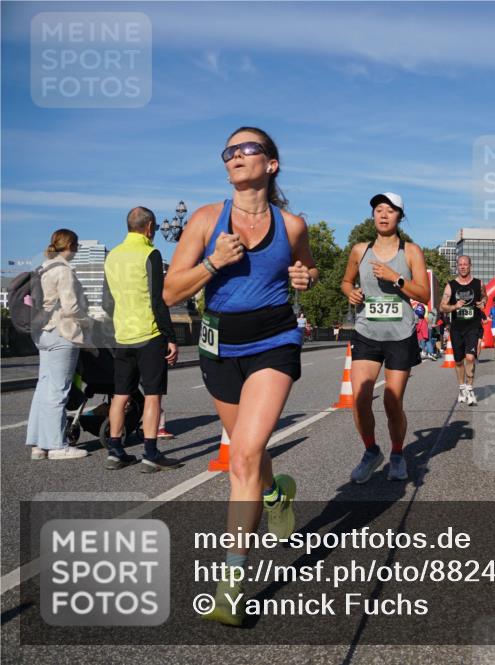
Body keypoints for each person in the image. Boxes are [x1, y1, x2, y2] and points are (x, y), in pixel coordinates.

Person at [164, 126, 318, 626]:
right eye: (229, 151)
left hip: (274, 340)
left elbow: (307, 268)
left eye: (247, 148)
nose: (235, 156)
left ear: (271, 164)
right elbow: (169, 293)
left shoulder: (292, 224)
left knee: (244, 455)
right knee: (250, 453)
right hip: (218, 347)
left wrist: (306, 277)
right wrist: (213, 262)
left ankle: (230, 585)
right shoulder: (208, 220)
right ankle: (276, 494)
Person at [342, 192, 429, 483]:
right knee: (360, 399)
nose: (383, 214)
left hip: (400, 333)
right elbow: (346, 281)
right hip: (367, 332)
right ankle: (370, 451)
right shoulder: (359, 250)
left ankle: (397, 454)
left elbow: (424, 294)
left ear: (399, 217)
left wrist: (397, 278)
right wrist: (350, 292)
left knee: (392, 402)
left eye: (390, 211)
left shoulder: (412, 251)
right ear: (372, 216)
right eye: (378, 210)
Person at [103, 207, 180, 472]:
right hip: (149, 334)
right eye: (156, 228)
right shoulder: (150, 253)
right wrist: (170, 336)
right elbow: (158, 299)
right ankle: (150, 453)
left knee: (120, 395)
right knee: (153, 395)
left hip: (122, 335)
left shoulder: (112, 256)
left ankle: (115, 450)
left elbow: (106, 301)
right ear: (148, 227)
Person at [25, 229, 91, 461]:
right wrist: (89, 320)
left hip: (41, 333)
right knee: (58, 390)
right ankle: (56, 445)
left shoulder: (44, 268)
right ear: (71, 245)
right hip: (61, 333)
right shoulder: (63, 271)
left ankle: (38, 444)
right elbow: (72, 308)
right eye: (77, 246)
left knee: (44, 387)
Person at [441, 255, 486, 405]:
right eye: (460, 264)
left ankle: (470, 389)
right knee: (459, 361)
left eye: (465, 264)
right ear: (457, 266)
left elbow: (485, 297)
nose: (462, 266)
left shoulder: (479, 284)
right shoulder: (451, 285)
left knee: (471, 357)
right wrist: (454, 306)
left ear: (470, 266)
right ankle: (462, 387)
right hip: (457, 328)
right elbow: (442, 306)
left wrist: (482, 303)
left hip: (473, 326)